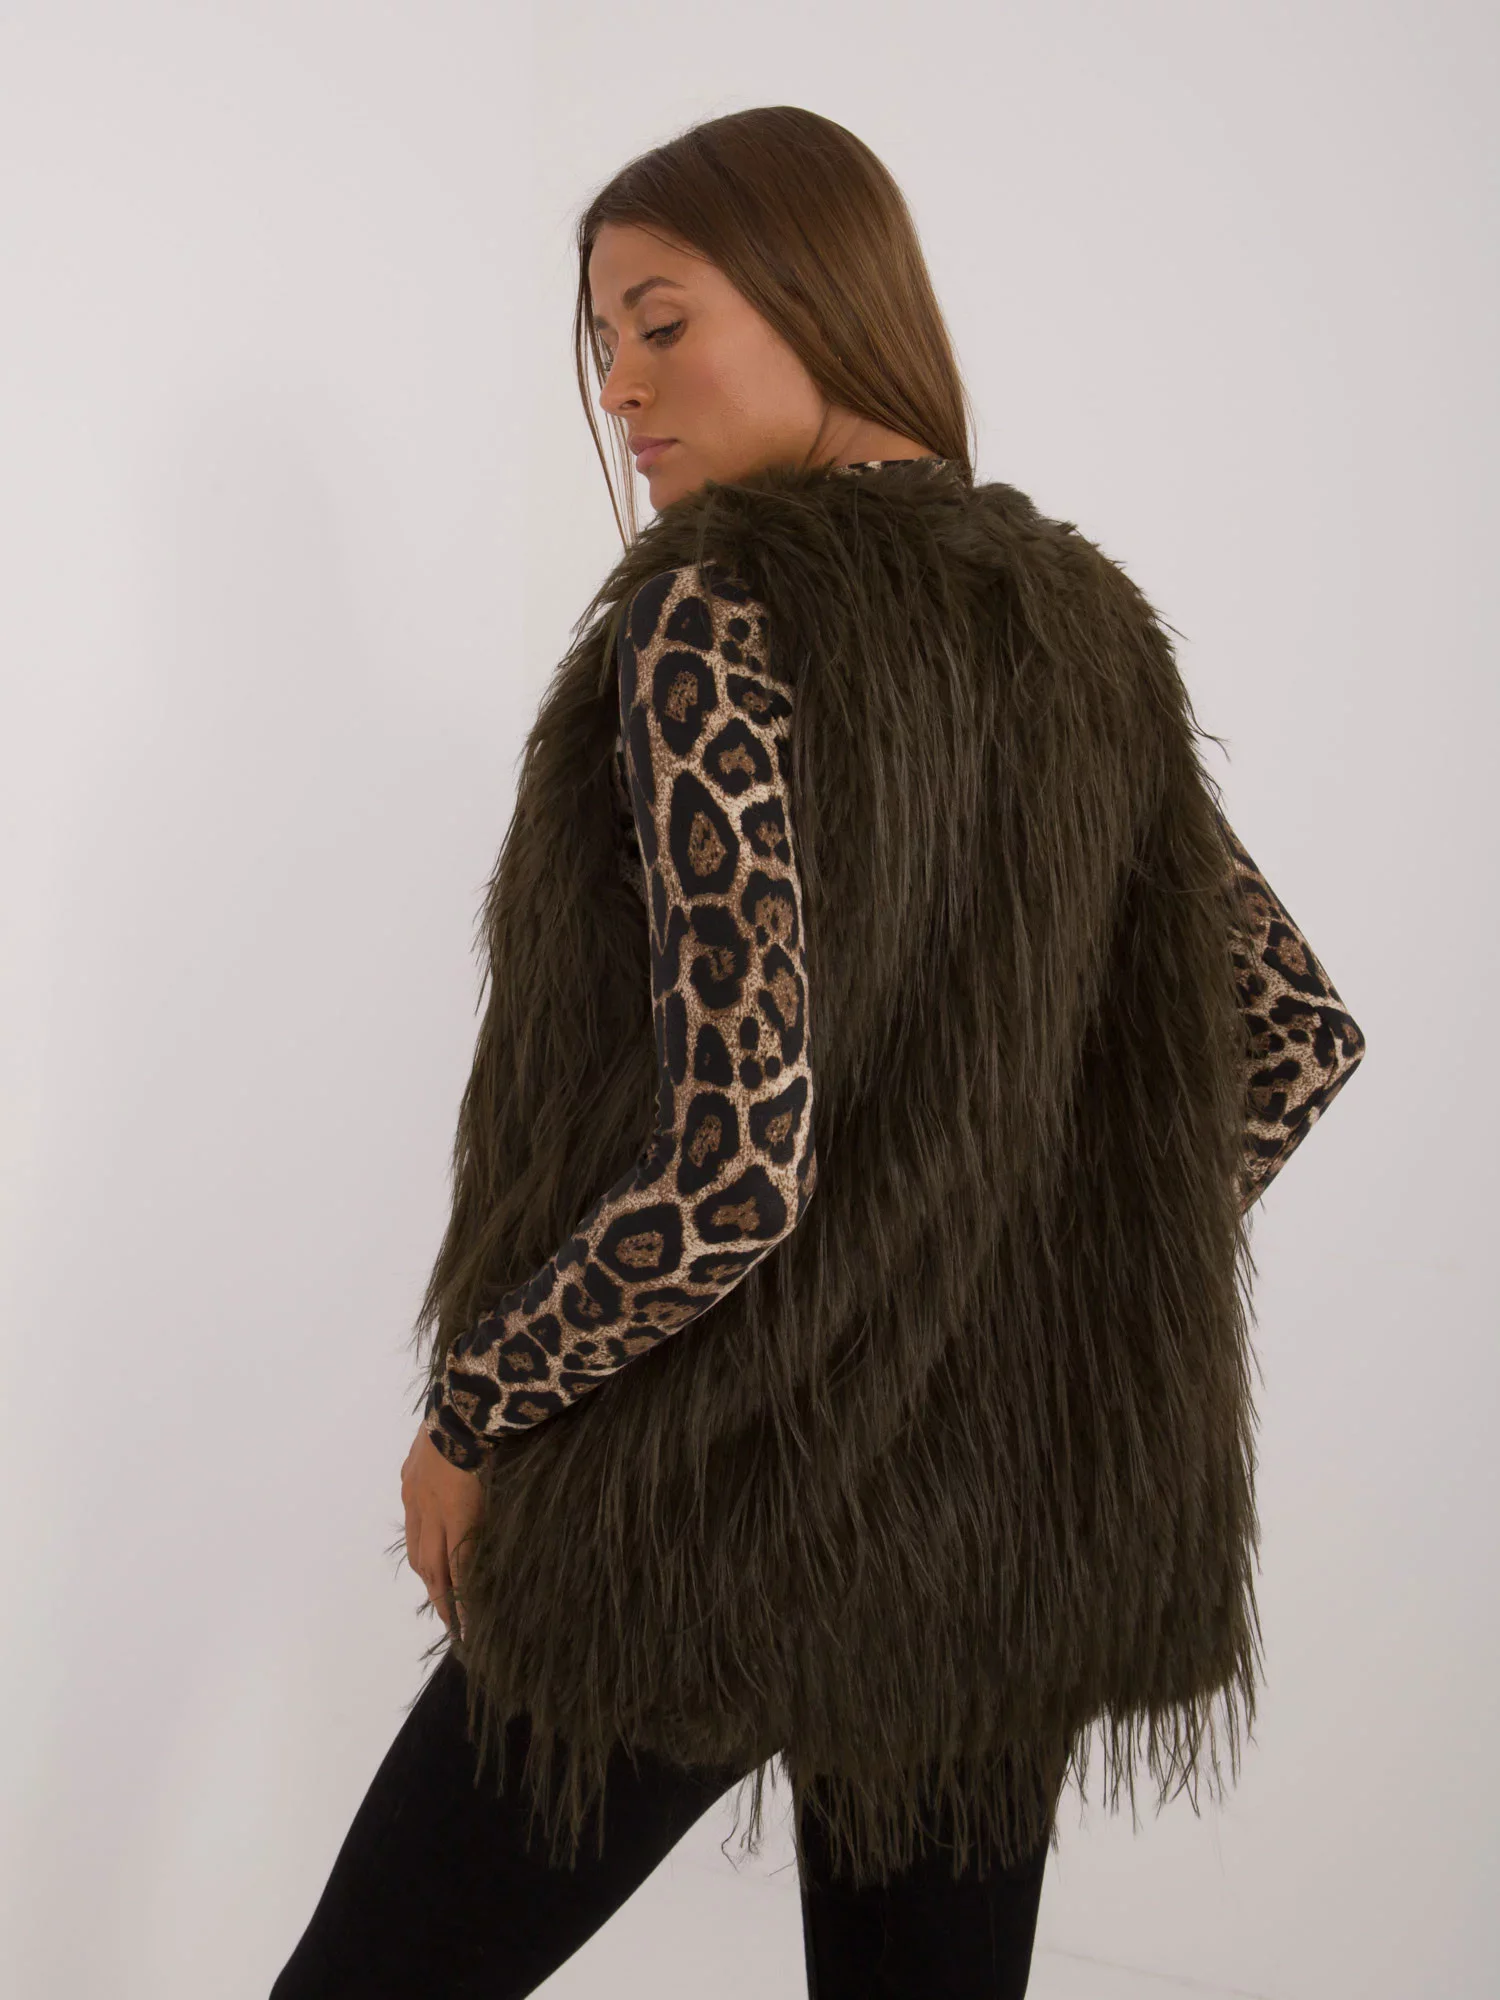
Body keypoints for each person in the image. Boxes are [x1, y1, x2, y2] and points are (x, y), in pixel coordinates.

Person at [271, 105, 1366, 1999]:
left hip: (706, 1500)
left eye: (662, 321)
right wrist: (1022, 1286)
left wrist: (474, 1406)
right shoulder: (1085, 629)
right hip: (985, 1533)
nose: (620, 386)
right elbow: (1293, 1038)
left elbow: (735, 1158)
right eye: (601, 340)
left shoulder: (715, 613)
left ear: (821, 297)